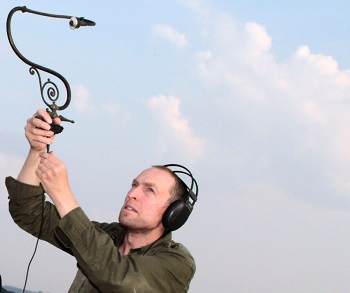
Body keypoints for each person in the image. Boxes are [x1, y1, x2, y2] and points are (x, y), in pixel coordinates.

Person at [6, 109, 196, 292]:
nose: (132, 193)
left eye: (150, 190)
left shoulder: (177, 262)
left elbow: (119, 277)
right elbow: (28, 212)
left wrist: (62, 193)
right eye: (134, 184)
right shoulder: (107, 236)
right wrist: (37, 150)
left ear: (174, 212)